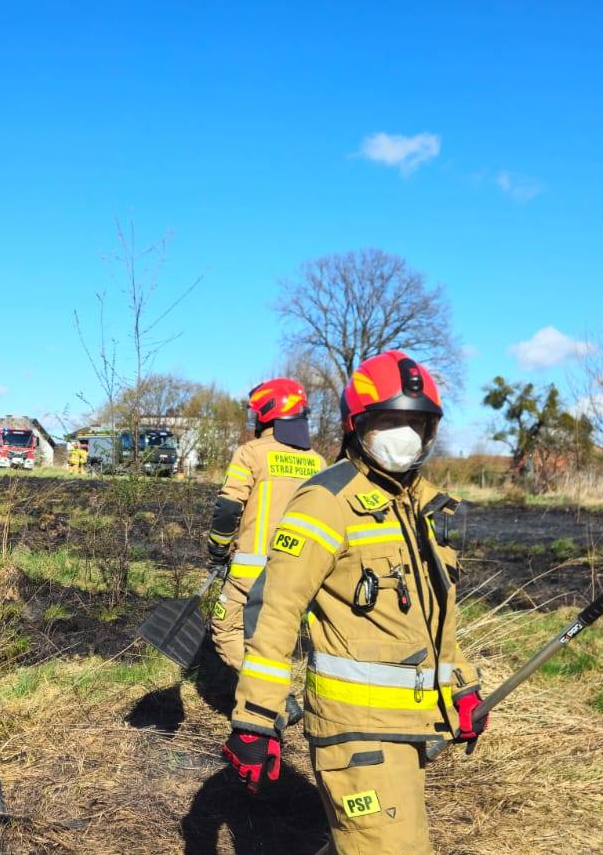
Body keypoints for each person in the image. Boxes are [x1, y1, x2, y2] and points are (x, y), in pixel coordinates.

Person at [222, 351, 484, 854]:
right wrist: (255, 717)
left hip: (410, 721)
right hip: (356, 736)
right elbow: (276, 612)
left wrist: (461, 686)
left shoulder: (416, 506)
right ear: (358, 424)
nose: (402, 434)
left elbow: (431, 618)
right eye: (390, 419)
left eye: (415, 422)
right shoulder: (327, 500)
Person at [206, 377, 325, 672]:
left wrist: (218, 549)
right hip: (300, 571)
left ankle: (270, 696)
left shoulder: (251, 453)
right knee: (273, 636)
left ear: (267, 411)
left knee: (226, 629)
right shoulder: (319, 463)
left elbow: (227, 508)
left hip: (252, 568)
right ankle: (276, 694)